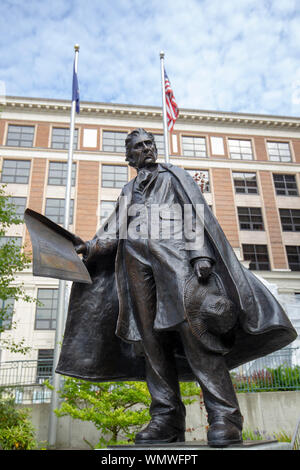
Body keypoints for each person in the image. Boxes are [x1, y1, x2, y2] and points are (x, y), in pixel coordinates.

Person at [56, 128, 297, 447]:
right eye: (139, 147)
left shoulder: (173, 176)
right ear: (129, 157)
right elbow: (114, 231)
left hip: (175, 261)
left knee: (196, 333)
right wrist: (91, 248)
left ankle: (225, 416)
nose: (146, 149)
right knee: (151, 343)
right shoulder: (128, 191)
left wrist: (200, 254)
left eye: (149, 144)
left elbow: (195, 215)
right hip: (136, 265)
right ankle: (166, 418)